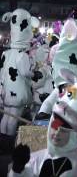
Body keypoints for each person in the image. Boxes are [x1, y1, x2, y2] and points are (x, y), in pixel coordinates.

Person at [8, 68, 77, 177]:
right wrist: (18, 169)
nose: (57, 134)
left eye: (64, 130)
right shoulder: (36, 159)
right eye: (55, 126)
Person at [0, 8, 42, 136]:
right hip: (18, 92)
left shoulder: (5, 53)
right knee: (14, 118)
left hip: (7, 90)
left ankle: (2, 139)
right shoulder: (22, 55)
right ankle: (9, 140)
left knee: (6, 116)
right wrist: (35, 74)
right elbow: (25, 73)